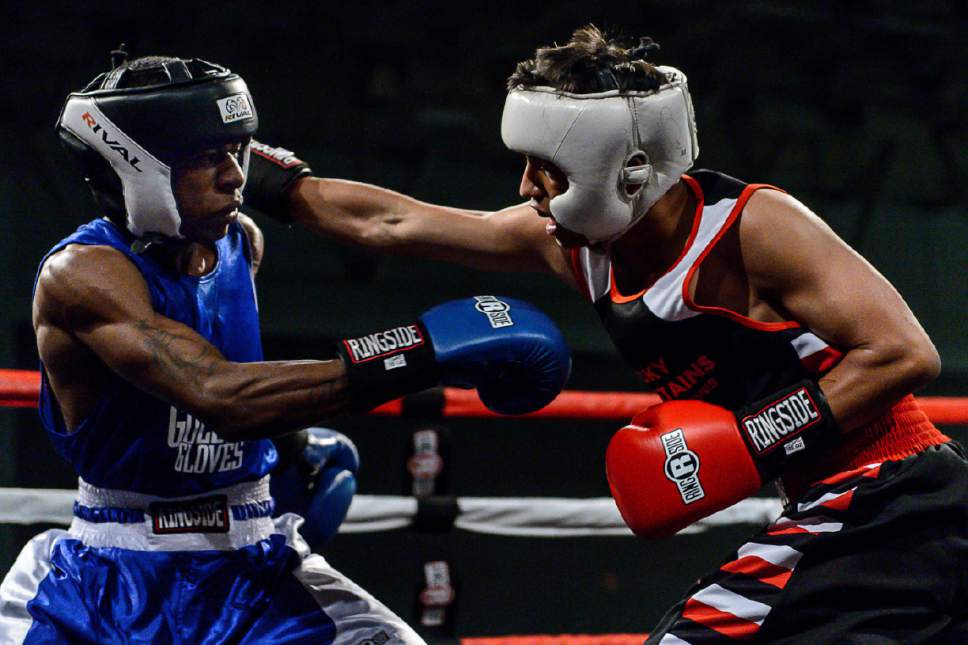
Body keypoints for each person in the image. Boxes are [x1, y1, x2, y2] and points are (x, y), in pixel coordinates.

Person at [243, 25, 968, 643]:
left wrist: (751, 439)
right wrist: (255, 174)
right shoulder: (572, 246)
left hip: (891, 496)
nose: (528, 188)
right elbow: (391, 221)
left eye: (548, 170)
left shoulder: (752, 227)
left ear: (625, 171)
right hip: (838, 511)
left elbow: (907, 351)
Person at [0, 52, 571, 643]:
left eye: (237, 150)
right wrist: (419, 352)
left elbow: (233, 360)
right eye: (205, 158)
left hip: (253, 562)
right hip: (108, 582)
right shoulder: (82, 274)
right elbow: (217, 393)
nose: (235, 175)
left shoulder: (238, 242)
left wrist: (294, 445)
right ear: (136, 169)